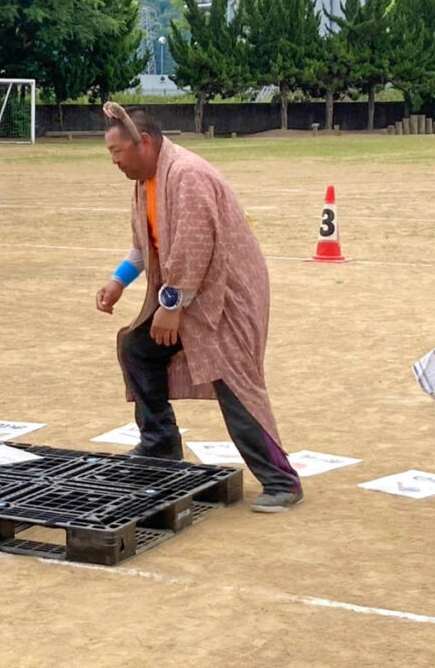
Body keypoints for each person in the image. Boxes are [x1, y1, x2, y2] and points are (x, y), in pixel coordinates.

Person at [95, 103, 302, 513]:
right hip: (186, 292)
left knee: (232, 379)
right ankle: (160, 445)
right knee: (137, 348)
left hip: (226, 296)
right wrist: (118, 281)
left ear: (146, 143)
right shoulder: (147, 181)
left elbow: (195, 246)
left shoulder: (187, 175)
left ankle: (282, 480)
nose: (115, 161)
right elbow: (144, 247)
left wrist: (171, 306)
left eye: (118, 151)